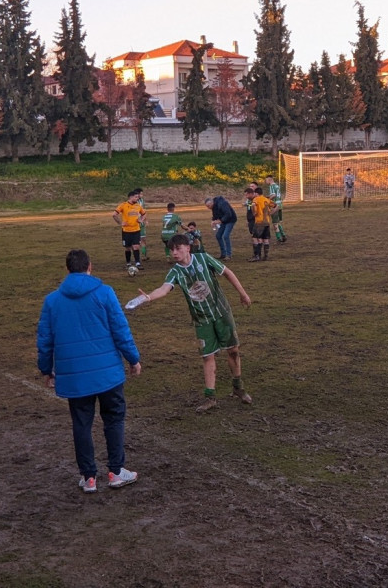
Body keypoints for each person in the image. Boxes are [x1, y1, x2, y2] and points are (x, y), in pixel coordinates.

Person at [37, 249, 142, 493]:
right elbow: (120, 329)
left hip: (75, 376)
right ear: (90, 267)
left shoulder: (52, 301)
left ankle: (89, 476)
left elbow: (45, 339)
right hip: (108, 374)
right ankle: (116, 471)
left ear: (67, 270)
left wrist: (46, 370)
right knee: (114, 419)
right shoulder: (105, 293)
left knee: (81, 423)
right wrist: (133, 358)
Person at [132, 234, 253, 412]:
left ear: (188, 248)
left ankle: (238, 387)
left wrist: (243, 294)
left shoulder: (204, 258)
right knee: (207, 356)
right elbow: (164, 289)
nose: (174, 253)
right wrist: (148, 297)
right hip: (201, 319)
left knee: (233, 350)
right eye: (172, 250)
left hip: (222, 313)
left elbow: (227, 272)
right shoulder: (175, 272)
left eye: (178, 249)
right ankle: (210, 397)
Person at [113, 188, 146, 270]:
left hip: (136, 230)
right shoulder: (123, 205)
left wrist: (141, 220)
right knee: (127, 248)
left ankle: (138, 263)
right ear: (130, 197)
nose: (137, 198)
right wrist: (120, 223)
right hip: (126, 231)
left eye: (138, 197)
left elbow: (144, 214)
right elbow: (114, 214)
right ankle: (128, 263)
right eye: (136, 197)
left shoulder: (138, 206)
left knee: (136, 246)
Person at [245, 186, 274, 262]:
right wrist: (271, 213)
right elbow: (276, 206)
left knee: (255, 238)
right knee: (265, 239)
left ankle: (256, 256)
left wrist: (254, 212)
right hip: (267, 222)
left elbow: (253, 205)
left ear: (256, 193)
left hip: (259, 222)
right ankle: (266, 256)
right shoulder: (266, 199)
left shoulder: (256, 199)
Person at [204, 195, 237, 259]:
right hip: (223, 221)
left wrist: (220, 221)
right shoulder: (214, 206)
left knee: (225, 236)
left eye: (208, 206)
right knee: (218, 235)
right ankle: (223, 254)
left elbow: (228, 214)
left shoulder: (222, 203)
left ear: (212, 203)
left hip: (231, 220)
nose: (208, 208)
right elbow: (215, 215)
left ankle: (228, 255)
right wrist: (213, 221)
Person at [265, 175, 287, 243]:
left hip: (275, 206)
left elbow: (273, 195)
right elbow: (276, 195)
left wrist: (267, 200)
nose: (266, 181)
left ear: (269, 179)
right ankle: (283, 235)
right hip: (280, 205)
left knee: (275, 223)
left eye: (266, 180)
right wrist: (268, 196)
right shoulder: (277, 186)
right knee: (278, 222)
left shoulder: (271, 186)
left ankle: (279, 238)